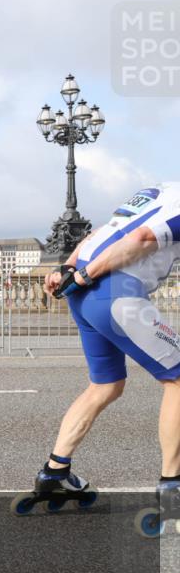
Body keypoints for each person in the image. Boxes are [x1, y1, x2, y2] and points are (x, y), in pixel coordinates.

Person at [25, 182, 180, 518]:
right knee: (178, 380)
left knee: (105, 386)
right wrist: (84, 275)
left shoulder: (159, 191)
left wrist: (67, 269)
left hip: (85, 297)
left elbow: (99, 233)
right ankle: (173, 488)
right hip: (115, 291)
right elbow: (142, 239)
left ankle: (54, 473)